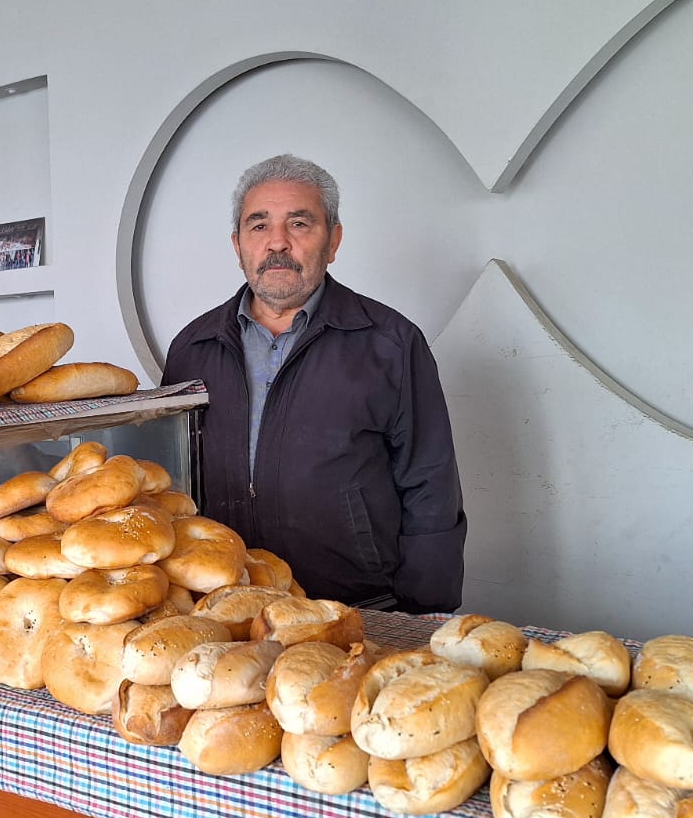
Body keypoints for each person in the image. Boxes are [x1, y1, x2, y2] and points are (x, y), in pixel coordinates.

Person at [161, 153, 466, 613]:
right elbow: (172, 478)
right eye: (258, 226)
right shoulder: (193, 346)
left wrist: (424, 612)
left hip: (359, 605)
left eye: (300, 224)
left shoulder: (389, 342)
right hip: (228, 606)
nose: (277, 243)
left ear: (333, 240)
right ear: (238, 244)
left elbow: (430, 482)